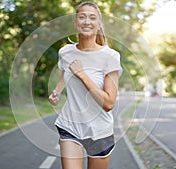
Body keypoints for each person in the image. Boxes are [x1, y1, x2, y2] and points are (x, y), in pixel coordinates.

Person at [48, 2, 122, 169]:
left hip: (99, 131)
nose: (86, 21)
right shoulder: (65, 52)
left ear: (98, 25)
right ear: (75, 23)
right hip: (70, 126)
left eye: (92, 17)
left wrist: (82, 75)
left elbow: (109, 103)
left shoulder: (110, 56)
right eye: (82, 17)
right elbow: (64, 71)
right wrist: (57, 91)